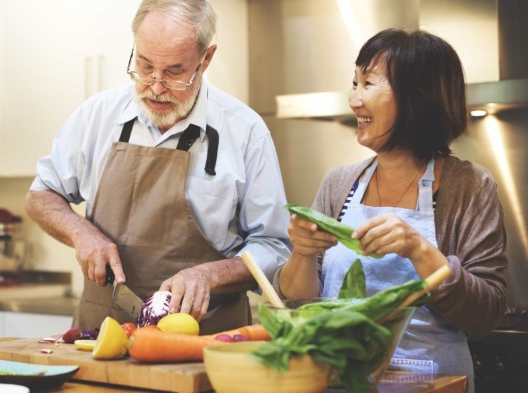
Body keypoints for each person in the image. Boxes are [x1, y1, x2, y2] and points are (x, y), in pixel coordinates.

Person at [25, 0, 291, 335]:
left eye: (175, 72)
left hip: (206, 342)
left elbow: (274, 246)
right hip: (101, 337)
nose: (155, 86)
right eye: (145, 65)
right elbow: (41, 196)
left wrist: (208, 276)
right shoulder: (97, 115)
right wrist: (82, 234)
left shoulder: (246, 132)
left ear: (206, 59)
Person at [273, 28, 507, 391]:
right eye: (354, 83)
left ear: (417, 97)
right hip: (338, 379)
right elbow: (298, 302)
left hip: (432, 381)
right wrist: (303, 254)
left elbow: (486, 314)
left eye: (368, 84)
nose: (354, 99)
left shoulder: (470, 186)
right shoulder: (339, 184)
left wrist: (419, 250)